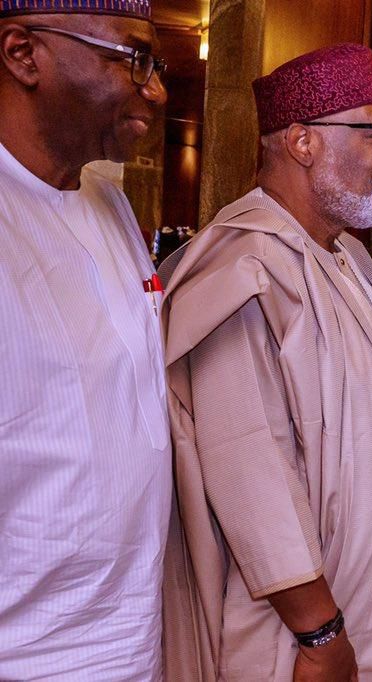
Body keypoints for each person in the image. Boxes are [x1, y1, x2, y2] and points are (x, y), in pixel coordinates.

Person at [160, 44, 372, 681]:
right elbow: (251, 468)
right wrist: (321, 634)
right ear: (304, 141)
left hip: (370, 601)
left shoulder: (351, 260)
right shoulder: (242, 267)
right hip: (294, 636)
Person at [0, 3, 171, 678]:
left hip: (133, 638)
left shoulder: (109, 203)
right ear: (22, 53)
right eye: (133, 60)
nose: (154, 90)